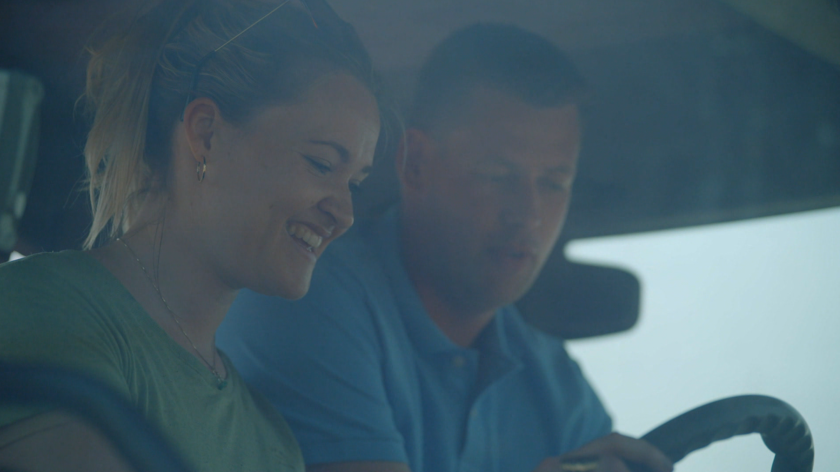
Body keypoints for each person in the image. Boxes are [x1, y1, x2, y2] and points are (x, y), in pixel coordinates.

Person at [218, 23, 672, 472]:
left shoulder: (557, 386)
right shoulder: (307, 294)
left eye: (553, 183)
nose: (529, 214)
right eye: (497, 176)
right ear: (416, 164)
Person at [0, 1, 382, 471]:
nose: (343, 213)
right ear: (206, 133)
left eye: (355, 184)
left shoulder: (273, 441)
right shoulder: (40, 308)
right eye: (322, 163)